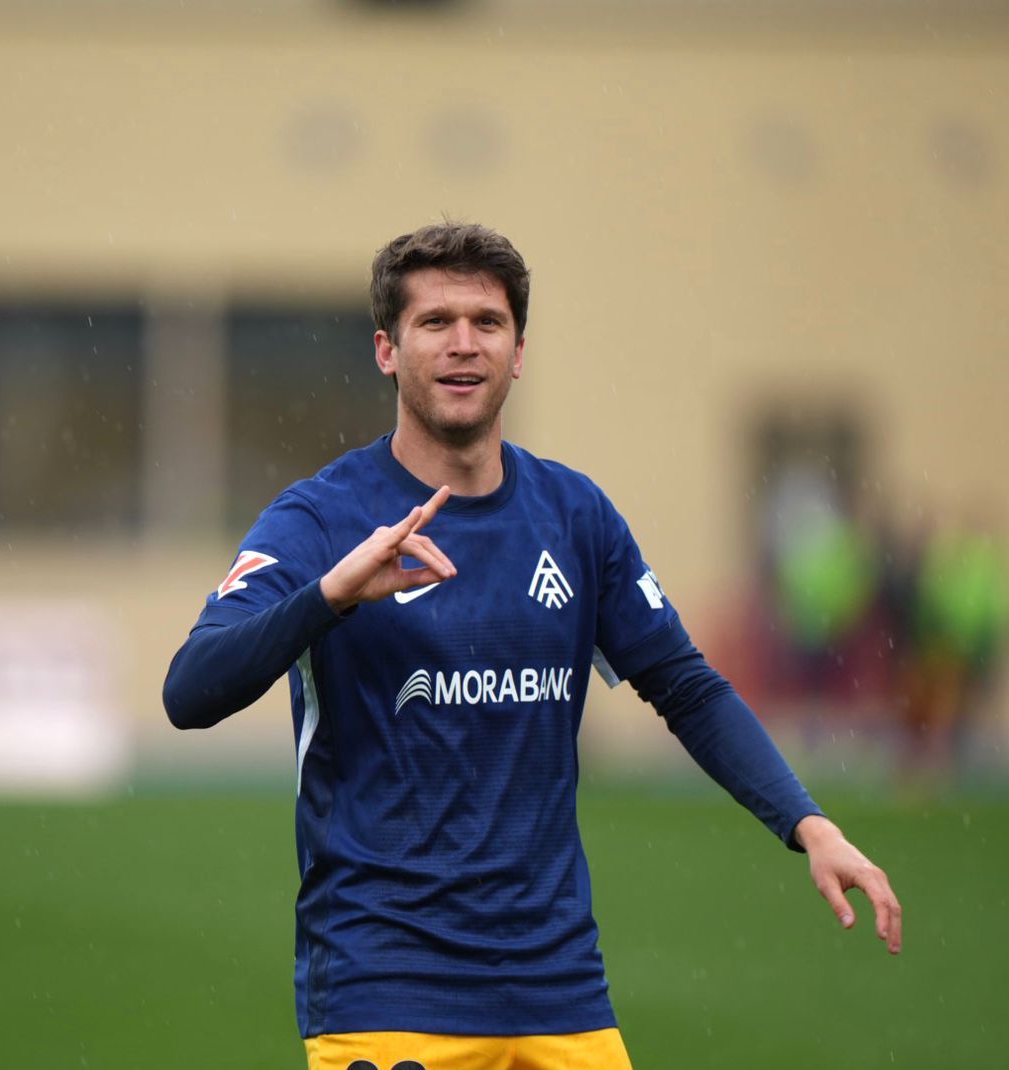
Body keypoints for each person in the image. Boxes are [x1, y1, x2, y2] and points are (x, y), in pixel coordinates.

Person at [163, 223, 902, 1070]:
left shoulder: (574, 516)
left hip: (560, 990)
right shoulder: (320, 519)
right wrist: (330, 595)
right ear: (385, 350)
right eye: (435, 322)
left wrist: (809, 825)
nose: (463, 344)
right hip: (388, 989)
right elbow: (191, 691)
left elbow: (686, 688)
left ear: (519, 352)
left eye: (488, 321)